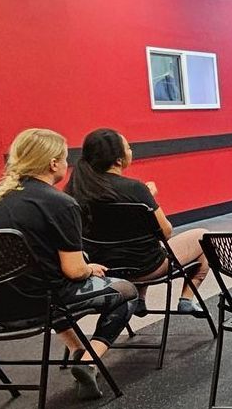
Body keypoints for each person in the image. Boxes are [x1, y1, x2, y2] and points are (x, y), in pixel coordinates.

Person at [0, 128, 138, 399]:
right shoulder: (61, 204)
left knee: (47, 285)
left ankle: (78, 349)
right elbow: (74, 270)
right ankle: (89, 361)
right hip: (38, 305)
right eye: (64, 157)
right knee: (126, 291)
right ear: (53, 163)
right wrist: (89, 268)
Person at [65, 128, 210, 318]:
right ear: (118, 160)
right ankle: (187, 299)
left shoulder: (75, 191)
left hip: (104, 267)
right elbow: (166, 232)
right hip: (147, 267)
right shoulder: (136, 189)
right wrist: (149, 198)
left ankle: (140, 300)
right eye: (128, 148)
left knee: (140, 242)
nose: (131, 151)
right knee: (204, 237)